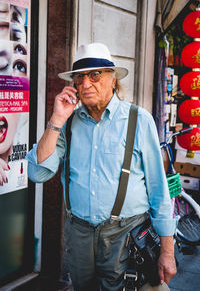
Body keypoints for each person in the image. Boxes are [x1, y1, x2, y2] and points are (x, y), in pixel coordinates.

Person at [26, 43, 177, 291]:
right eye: (79, 77)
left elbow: (159, 190)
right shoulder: (68, 122)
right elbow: (37, 172)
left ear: (113, 79)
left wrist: (167, 251)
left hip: (126, 234)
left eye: (95, 75)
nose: (86, 84)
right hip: (79, 234)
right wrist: (56, 119)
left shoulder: (138, 119)